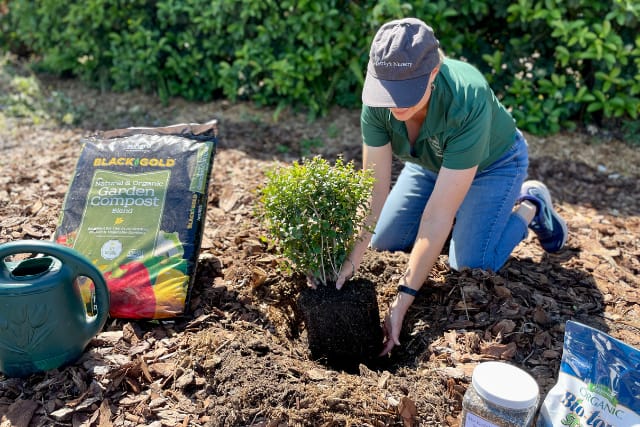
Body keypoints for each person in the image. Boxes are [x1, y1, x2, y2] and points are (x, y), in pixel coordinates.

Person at [334, 17, 568, 356]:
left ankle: (530, 205)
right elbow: (373, 192)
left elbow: (436, 217)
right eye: (386, 90)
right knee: (384, 240)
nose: (394, 102)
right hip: (430, 164)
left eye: (405, 91)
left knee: (470, 263)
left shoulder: (466, 99)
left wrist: (402, 302)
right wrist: (350, 261)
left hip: (493, 165)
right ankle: (470, 216)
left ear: (432, 73)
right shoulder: (378, 100)